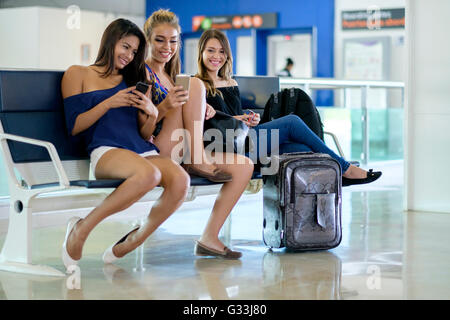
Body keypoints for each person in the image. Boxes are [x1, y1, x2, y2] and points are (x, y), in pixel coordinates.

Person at [61, 18, 190, 270]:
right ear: (110, 41)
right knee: (149, 174)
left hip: (141, 150)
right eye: (125, 47)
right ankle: (82, 228)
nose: (129, 56)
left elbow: (144, 134)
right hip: (106, 150)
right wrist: (109, 102)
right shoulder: (78, 73)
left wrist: (152, 114)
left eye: (134, 51)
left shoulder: (136, 80)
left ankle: (134, 239)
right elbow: (74, 126)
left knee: (181, 180)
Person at [195, 29, 382, 186]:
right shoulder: (196, 84)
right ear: (201, 52)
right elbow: (206, 126)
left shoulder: (230, 82)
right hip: (224, 147)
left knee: (302, 148)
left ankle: (337, 173)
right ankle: (345, 169)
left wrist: (250, 118)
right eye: (211, 51)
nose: (216, 57)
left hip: (246, 140)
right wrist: (237, 120)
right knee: (292, 122)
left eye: (221, 51)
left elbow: (235, 116)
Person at [143, 9, 254, 259]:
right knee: (194, 84)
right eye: (160, 40)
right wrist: (167, 107)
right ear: (147, 39)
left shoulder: (173, 75)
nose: (167, 47)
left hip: (189, 148)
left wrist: (199, 105)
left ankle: (209, 237)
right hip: (161, 149)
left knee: (244, 166)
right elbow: (141, 127)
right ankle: (196, 159)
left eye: (173, 41)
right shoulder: (142, 73)